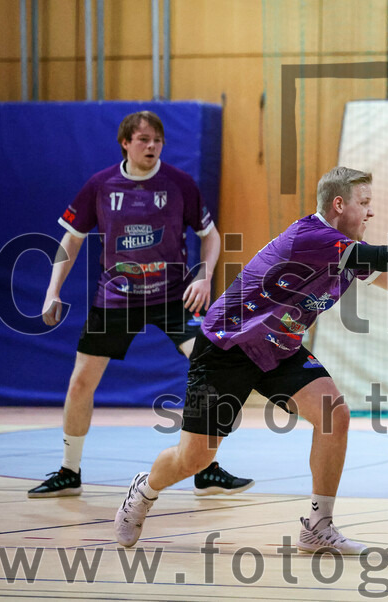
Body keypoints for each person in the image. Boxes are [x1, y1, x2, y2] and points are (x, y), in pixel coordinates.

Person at [113, 166, 388, 552]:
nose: (370, 213)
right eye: (364, 203)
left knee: (334, 414)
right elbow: (381, 254)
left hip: (280, 348)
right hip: (227, 348)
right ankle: (144, 491)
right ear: (339, 204)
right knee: (194, 458)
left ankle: (317, 525)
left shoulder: (348, 252)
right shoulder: (314, 236)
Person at [30, 111, 252, 499]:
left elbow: (211, 236)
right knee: (81, 381)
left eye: (158, 141)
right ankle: (69, 471)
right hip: (115, 298)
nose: (152, 147)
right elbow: (71, 240)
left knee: (210, 368)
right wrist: (52, 291)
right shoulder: (100, 186)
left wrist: (203, 276)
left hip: (173, 296)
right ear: (126, 143)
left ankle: (206, 467)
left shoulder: (179, 184)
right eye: (144, 140)